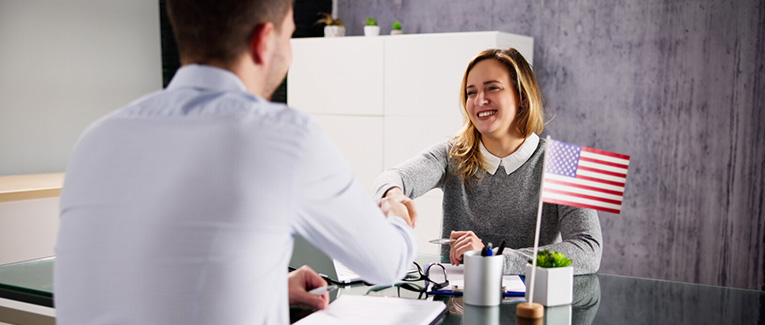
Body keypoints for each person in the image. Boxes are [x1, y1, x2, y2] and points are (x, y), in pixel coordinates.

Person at [54, 0, 418, 323]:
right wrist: (395, 215)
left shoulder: (96, 139)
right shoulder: (283, 137)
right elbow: (387, 264)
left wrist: (266, 286)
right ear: (263, 41)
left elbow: (140, 275)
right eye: (289, 37)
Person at [373, 48, 601, 275]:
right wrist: (392, 197)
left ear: (521, 98)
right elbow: (393, 177)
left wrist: (492, 258)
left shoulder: (564, 162)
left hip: (529, 307)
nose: (479, 100)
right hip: (457, 304)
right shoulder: (452, 154)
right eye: (471, 93)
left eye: (492, 88)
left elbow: (588, 249)